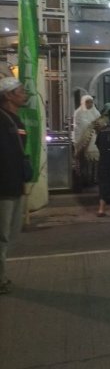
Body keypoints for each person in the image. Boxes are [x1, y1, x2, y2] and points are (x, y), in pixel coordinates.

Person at [0, 76, 31, 295]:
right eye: (21, 91)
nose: (24, 94)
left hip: (15, 185)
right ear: (9, 95)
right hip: (3, 186)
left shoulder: (16, 120)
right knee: (2, 235)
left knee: (10, 234)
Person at [73, 94, 101, 187]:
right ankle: (84, 179)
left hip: (94, 141)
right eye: (87, 102)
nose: (90, 104)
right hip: (82, 140)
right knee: (83, 161)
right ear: (83, 102)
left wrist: (97, 125)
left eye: (91, 102)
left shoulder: (95, 112)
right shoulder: (78, 112)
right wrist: (91, 125)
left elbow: (100, 122)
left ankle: (95, 179)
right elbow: (80, 125)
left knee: (95, 160)